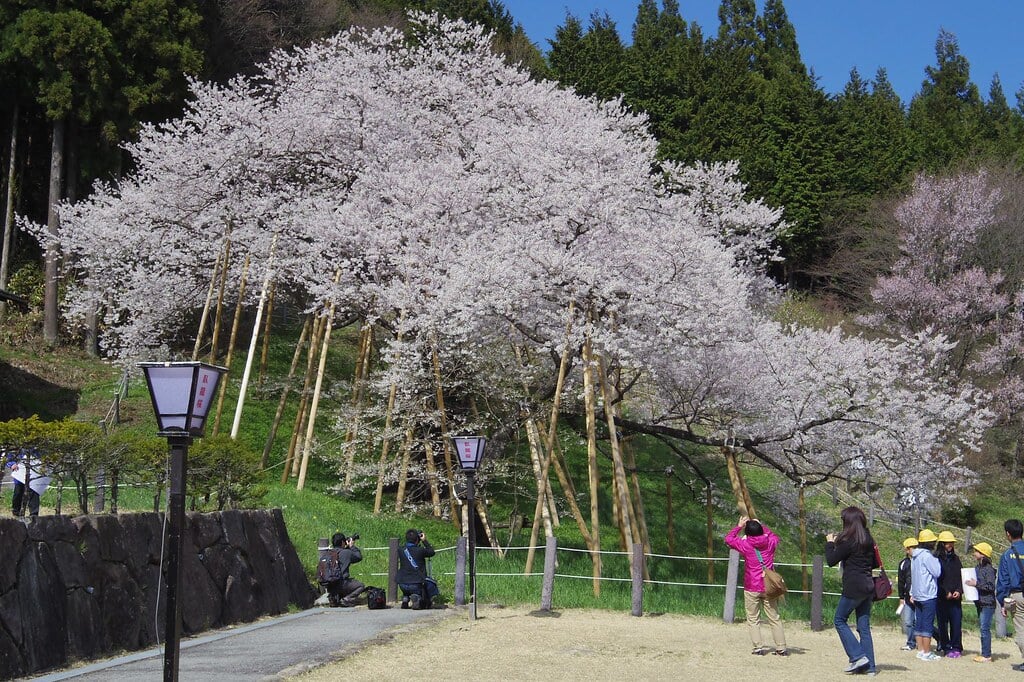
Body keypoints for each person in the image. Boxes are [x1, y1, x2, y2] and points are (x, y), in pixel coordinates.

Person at [724, 515, 787, 656]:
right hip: (769, 586)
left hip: (752, 585)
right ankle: (781, 647)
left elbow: (728, 539)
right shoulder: (770, 542)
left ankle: (758, 647)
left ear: (747, 533)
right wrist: (761, 526)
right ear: (761, 531)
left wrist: (739, 526)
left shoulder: (745, 544)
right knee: (774, 617)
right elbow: (775, 536)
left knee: (753, 618)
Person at [825, 506, 878, 676]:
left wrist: (830, 543)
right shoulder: (868, 539)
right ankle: (870, 667)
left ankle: (858, 656)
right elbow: (875, 564)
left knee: (839, 620)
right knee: (863, 626)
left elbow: (831, 560)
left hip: (853, 587)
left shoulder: (849, 541)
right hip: (868, 586)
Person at [996, 519, 1024, 672]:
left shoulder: (1007, 555)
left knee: (1021, 629)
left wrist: (1002, 601)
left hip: (1017, 595)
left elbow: (1004, 580)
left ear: (1008, 534)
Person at [910, 528, 942, 661]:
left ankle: (921, 649)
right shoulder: (928, 556)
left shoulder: (914, 556)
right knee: (927, 624)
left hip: (917, 593)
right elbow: (937, 572)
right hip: (928, 594)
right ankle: (927, 652)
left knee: (919, 623)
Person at [964, 541, 996, 663]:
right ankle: (985, 652)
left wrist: (976, 584)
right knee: (983, 628)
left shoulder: (989, 569)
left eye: (976, 551)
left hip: (988, 603)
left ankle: (986, 655)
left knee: (984, 628)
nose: (974, 553)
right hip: (980, 602)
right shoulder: (977, 568)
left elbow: (990, 586)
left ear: (983, 554)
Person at [934, 530, 963, 657]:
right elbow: (937, 579)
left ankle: (956, 646)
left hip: (956, 599)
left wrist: (959, 590)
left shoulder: (956, 559)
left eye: (951, 542)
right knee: (942, 624)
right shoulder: (936, 559)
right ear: (941, 544)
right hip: (942, 598)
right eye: (947, 542)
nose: (950, 544)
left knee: (956, 623)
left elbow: (961, 577)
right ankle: (945, 646)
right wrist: (945, 592)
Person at [397, 528, 437, 609]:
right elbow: (431, 552)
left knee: (407, 587)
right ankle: (417, 597)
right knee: (430, 583)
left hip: (402, 584)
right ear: (417, 539)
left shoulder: (400, 550)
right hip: (416, 584)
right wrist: (424, 540)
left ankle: (405, 599)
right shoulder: (421, 550)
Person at [324, 532, 365, 607]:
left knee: (339, 584)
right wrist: (352, 546)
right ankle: (347, 599)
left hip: (329, 585)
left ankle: (333, 598)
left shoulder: (329, 553)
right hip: (342, 584)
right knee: (360, 586)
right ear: (343, 542)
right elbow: (358, 557)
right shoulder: (346, 553)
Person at [898, 537, 918, 651]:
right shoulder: (903, 564)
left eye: (916, 547)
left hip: (920, 596)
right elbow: (901, 581)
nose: (914, 550)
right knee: (908, 621)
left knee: (920, 621)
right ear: (907, 550)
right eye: (912, 548)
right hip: (907, 597)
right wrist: (901, 597)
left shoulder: (921, 561)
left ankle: (938, 637)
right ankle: (911, 642)